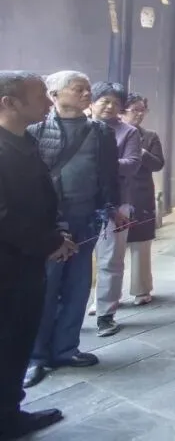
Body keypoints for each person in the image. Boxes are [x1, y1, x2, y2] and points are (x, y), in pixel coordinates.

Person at [24, 71, 119, 389]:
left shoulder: (100, 131)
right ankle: (36, 356)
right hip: (50, 222)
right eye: (78, 89)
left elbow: (110, 174)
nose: (86, 94)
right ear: (54, 95)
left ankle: (66, 348)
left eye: (87, 89)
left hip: (87, 216)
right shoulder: (35, 130)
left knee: (78, 286)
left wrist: (114, 206)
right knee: (46, 288)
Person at [0, 72, 73, 439]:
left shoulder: (24, 141)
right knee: (9, 341)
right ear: (9, 103)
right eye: (40, 96)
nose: (48, 102)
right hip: (8, 266)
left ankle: (9, 412)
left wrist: (55, 234)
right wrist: (50, 242)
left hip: (25, 262)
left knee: (17, 341)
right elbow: (5, 216)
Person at [89, 82, 141, 337]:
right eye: (104, 101)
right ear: (92, 103)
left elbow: (132, 164)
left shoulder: (128, 132)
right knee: (75, 261)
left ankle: (106, 314)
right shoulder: (82, 128)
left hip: (118, 203)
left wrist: (99, 163)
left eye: (116, 103)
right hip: (81, 202)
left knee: (110, 259)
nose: (110, 106)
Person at [121, 93, 165, 306]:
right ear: (123, 111)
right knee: (111, 248)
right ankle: (108, 296)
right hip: (117, 193)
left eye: (142, 110)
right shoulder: (110, 133)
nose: (139, 114)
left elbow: (158, 164)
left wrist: (143, 152)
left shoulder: (149, 136)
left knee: (141, 244)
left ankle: (142, 289)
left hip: (141, 193)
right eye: (134, 110)